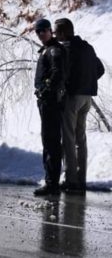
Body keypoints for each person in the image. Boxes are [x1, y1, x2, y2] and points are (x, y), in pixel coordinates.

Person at [54, 18, 105, 195]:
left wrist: (66, 88)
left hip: (72, 97)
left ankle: (71, 180)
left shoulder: (66, 49)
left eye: (56, 32)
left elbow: (62, 74)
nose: (54, 35)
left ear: (62, 32)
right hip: (87, 97)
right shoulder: (88, 47)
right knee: (80, 138)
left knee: (68, 138)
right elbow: (100, 69)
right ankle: (81, 178)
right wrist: (88, 82)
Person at [33, 19, 67, 196]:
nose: (40, 34)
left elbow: (57, 73)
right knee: (49, 140)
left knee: (51, 141)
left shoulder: (54, 50)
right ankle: (51, 180)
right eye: (37, 32)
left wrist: (46, 90)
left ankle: (52, 183)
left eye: (43, 31)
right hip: (48, 101)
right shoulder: (48, 49)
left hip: (51, 102)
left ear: (50, 31)